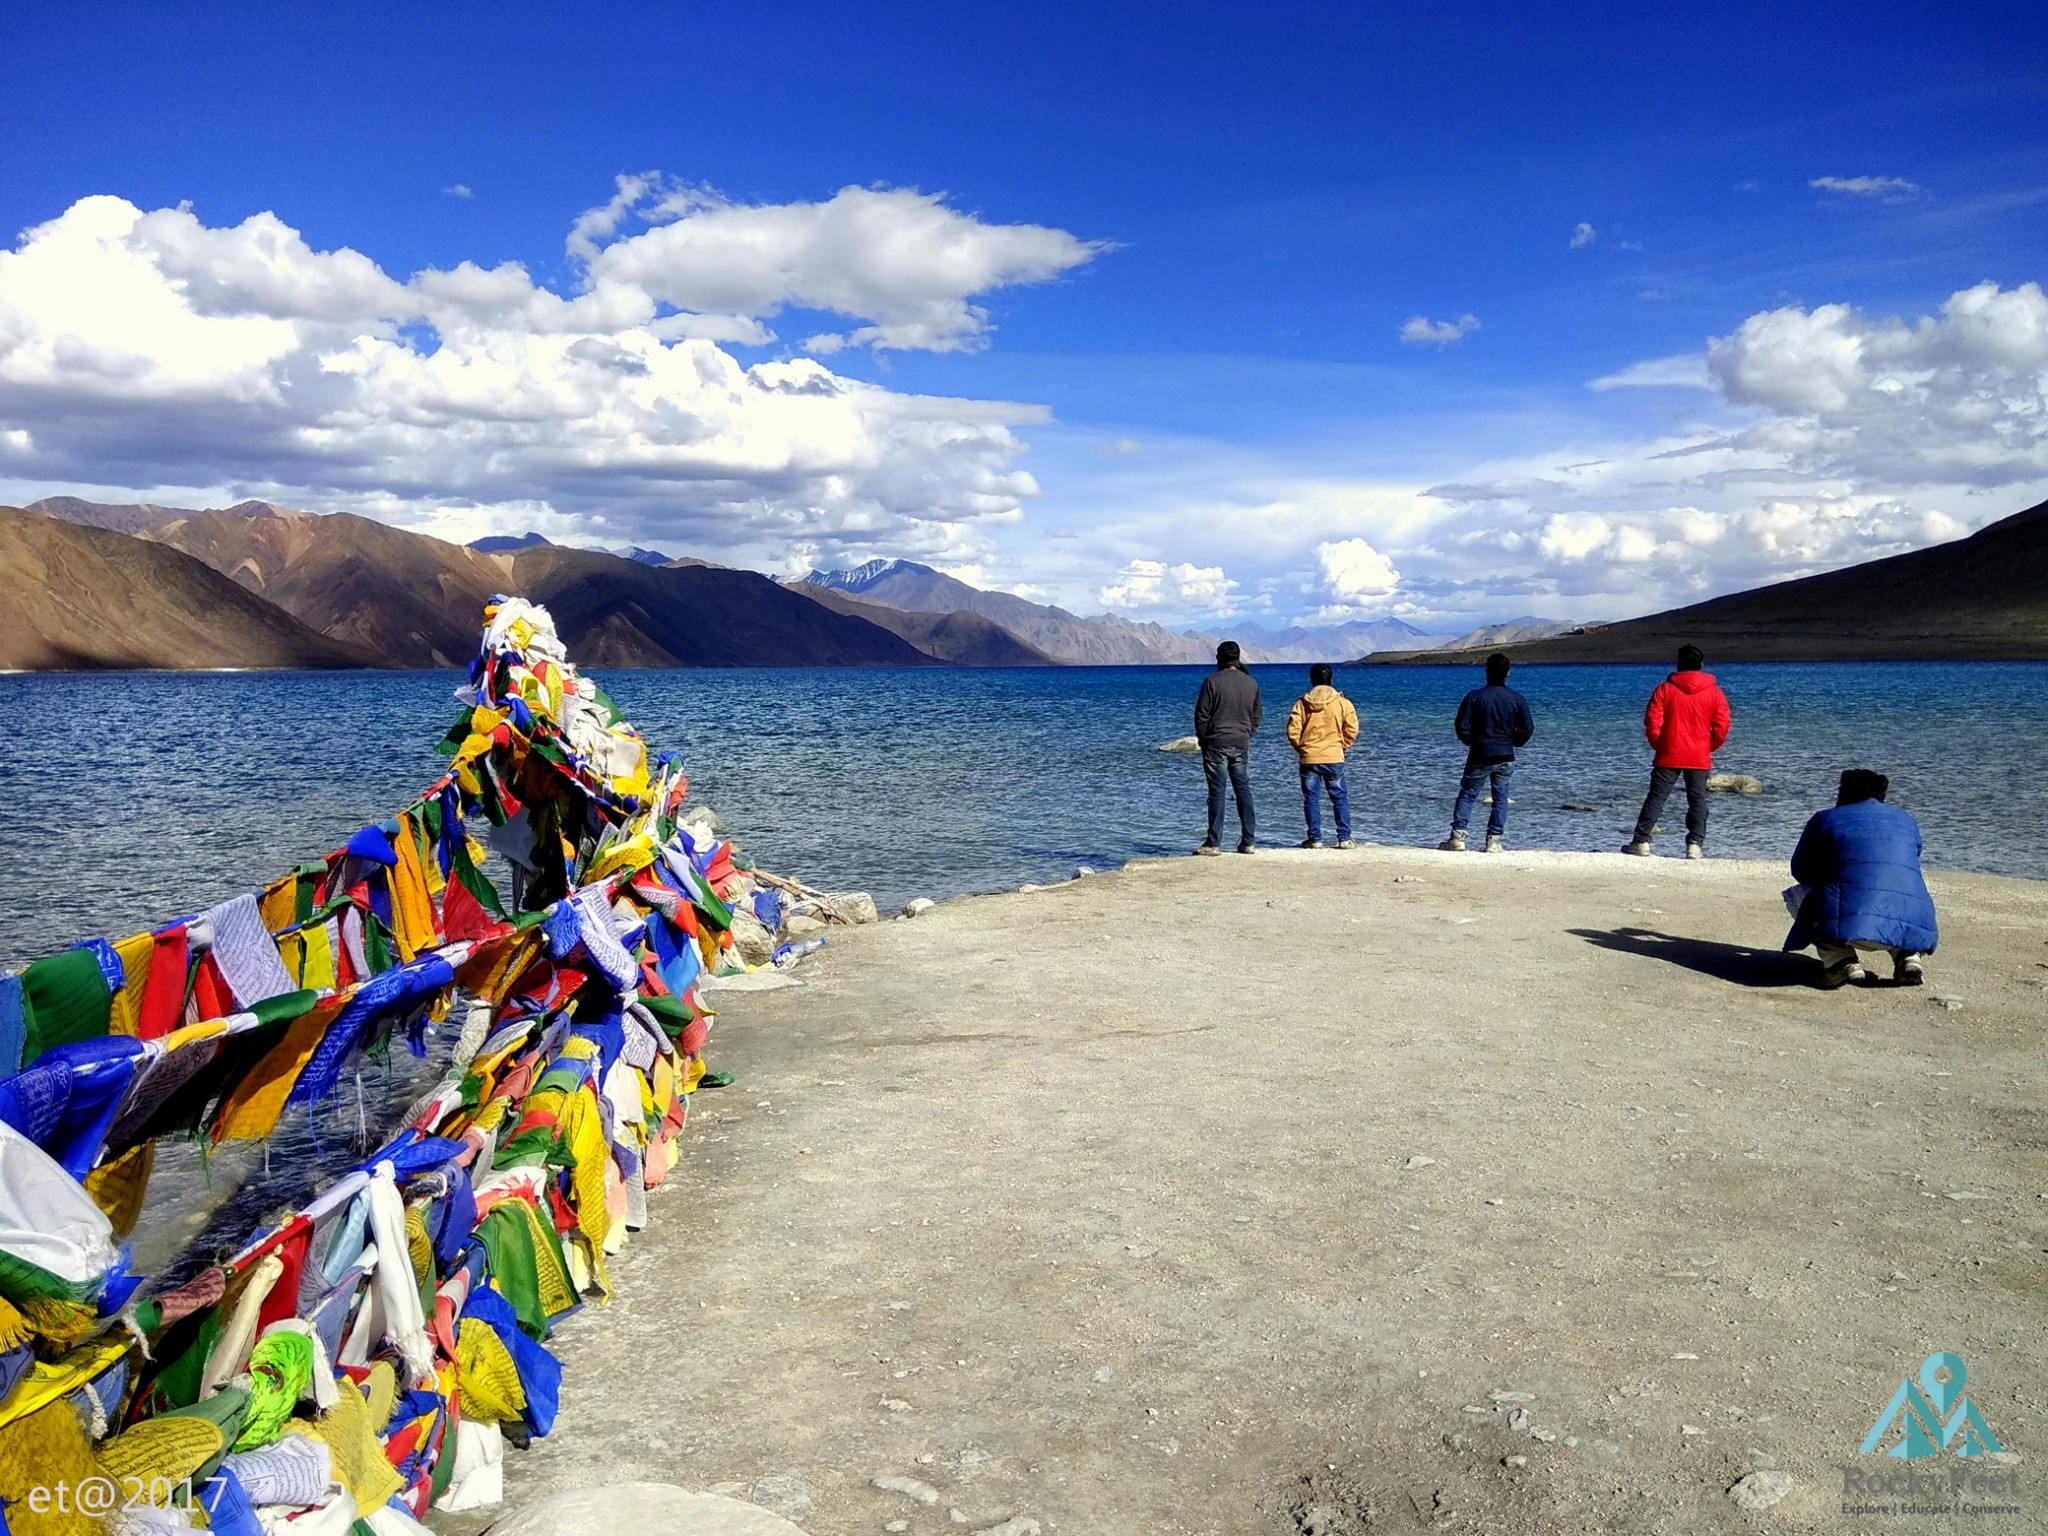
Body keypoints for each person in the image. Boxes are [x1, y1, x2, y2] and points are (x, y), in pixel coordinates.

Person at [1783, 769, 1937, 989]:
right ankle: (1909, 956)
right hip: (1915, 922)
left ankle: (1841, 961)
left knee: (1796, 895)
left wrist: (1834, 871)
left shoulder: (1826, 818)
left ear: (1843, 792)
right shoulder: (1906, 820)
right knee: (1898, 892)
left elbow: (1801, 871)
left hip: (1850, 926)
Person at [1623, 644, 1730, 859]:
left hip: (1669, 751)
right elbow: (1722, 724)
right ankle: (1695, 845)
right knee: (1697, 799)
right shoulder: (1714, 692)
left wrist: (1659, 743)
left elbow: (1652, 720)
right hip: (1698, 753)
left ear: (1678, 664)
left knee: (1657, 797)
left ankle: (1641, 841)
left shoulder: (1664, 689)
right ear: (1701, 664)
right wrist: (1710, 746)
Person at [1439, 652, 1533, 853]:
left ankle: (1458, 838)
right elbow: (1528, 729)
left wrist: (1471, 742)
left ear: (1486, 671)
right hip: (1505, 754)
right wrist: (1514, 742)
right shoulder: (1517, 699)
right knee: (1500, 798)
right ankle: (1494, 841)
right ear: (1508, 673)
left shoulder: (1474, 697)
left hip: (1480, 753)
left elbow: (1461, 725)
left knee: (1467, 795)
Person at [1193, 640, 1262, 855]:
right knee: (1243, 790)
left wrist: (1204, 740)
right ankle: (1248, 841)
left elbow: (1201, 715)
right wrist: (1246, 733)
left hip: (1216, 743)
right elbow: (1257, 716)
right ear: (1238, 658)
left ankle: (1214, 843)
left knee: (1217, 792)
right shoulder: (1251, 683)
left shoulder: (1211, 681)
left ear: (1219, 659)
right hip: (1241, 742)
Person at [1285, 662, 1360, 849]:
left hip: (1309, 756)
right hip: (1334, 756)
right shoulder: (1343, 703)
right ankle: (1344, 838)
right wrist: (1342, 746)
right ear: (1331, 679)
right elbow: (1352, 729)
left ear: (1312, 680)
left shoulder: (1302, 704)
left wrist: (1302, 748)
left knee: (1311, 799)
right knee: (1339, 798)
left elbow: (1293, 731)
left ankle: (1315, 839)